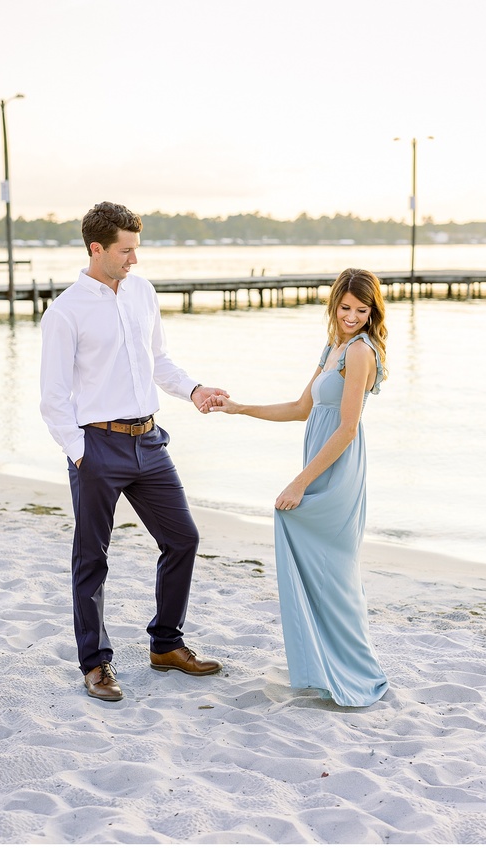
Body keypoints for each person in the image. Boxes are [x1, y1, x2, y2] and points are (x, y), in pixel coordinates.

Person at [40, 201, 228, 701]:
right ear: (96, 248)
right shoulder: (65, 312)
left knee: (182, 539)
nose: (135, 261)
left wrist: (194, 390)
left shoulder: (142, 292)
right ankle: (96, 664)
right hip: (97, 445)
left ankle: (166, 644)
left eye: (137, 250)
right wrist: (81, 453)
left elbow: (158, 361)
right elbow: (54, 397)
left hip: (149, 441)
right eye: (126, 252)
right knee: (92, 559)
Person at [204, 267, 389, 706]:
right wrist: (239, 408)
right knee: (316, 561)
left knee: (335, 568)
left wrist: (299, 482)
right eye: (345, 308)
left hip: (337, 470)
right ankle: (323, 664)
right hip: (318, 464)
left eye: (362, 311)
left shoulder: (360, 352)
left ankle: (355, 670)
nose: (352, 316)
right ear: (334, 304)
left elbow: (346, 429)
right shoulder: (333, 347)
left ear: (372, 311)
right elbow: (301, 408)